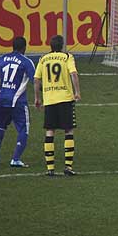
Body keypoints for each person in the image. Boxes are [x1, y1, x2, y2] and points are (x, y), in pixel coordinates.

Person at [32, 35, 81, 177]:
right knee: (68, 131)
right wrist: (77, 92)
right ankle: (68, 167)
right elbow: (73, 74)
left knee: (49, 131)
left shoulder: (43, 58)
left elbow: (36, 80)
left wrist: (37, 98)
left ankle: (50, 168)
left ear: (50, 46)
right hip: (65, 98)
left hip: (49, 99)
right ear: (62, 45)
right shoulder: (67, 57)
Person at [0, 36, 35, 167]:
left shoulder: (2, 59)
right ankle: (15, 159)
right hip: (17, 101)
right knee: (23, 128)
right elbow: (35, 80)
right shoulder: (26, 62)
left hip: (2, 98)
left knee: (1, 125)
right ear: (24, 47)